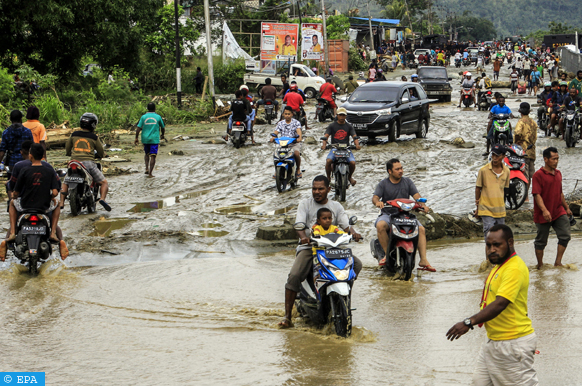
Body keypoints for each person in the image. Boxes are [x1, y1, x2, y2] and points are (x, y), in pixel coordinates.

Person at [446, 224, 538, 386]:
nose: (491, 250)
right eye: (488, 245)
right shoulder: (500, 266)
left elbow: (500, 303)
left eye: (497, 245)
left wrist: (469, 322)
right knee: (478, 382)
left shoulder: (514, 268)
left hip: (512, 344)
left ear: (510, 243)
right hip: (493, 341)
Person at [278, 175, 362, 328]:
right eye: (314, 189)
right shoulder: (305, 204)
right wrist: (303, 237)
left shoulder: (336, 206)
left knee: (356, 264)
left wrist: (354, 233)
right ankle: (287, 316)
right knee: (295, 275)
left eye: (320, 189)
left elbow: (346, 226)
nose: (316, 192)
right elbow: (300, 224)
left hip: (334, 249)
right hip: (311, 248)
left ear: (329, 189)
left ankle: (342, 297)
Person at [0, 141, 68, 260]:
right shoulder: (49, 169)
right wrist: (52, 197)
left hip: (25, 206)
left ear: (30, 155)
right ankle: (53, 233)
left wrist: (15, 196)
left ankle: (11, 234)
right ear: (42, 156)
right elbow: (56, 191)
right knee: (57, 205)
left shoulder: (24, 170)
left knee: (11, 203)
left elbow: (15, 191)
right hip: (44, 206)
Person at [372, 158, 436, 271]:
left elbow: (416, 196)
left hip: (405, 215)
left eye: (401, 168)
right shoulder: (383, 184)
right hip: (388, 214)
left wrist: (422, 205)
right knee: (380, 226)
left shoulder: (408, 182)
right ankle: (387, 255)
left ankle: (424, 260)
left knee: (421, 229)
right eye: (397, 169)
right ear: (390, 171)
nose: (401, 171)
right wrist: (378, 202)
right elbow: (375, 197)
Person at [60, 113, 111, 212]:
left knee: (66, 182)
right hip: (88, 164)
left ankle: (61, 202)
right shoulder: (94, 137)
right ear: (93, 125)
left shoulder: (74, 135)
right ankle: (102, 199)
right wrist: (102, 155)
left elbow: (67, 147)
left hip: (74, 162)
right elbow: (100, 151)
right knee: (104, 182)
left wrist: (68, 153)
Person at [532, 147, 572, 269]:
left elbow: (560, 193)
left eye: (557, 159)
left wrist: (566, 207)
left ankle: (558, 262)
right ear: (545, 159)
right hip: (543, 213)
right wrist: (544, 210)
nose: (556, 161)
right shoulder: (538, 175)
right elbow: (537, 194)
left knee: (565, 235)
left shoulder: (558, 173)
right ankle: (540, 265)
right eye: (553, 159)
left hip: (558, 210)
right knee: (541, 241)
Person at [475, 144, 510, 238]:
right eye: (493, 155)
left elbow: (505, 191)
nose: (494, 158)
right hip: (486, 209)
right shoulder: (483, 170)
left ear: (503, 156)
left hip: (500, 210)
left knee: (501, 237)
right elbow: (478, 188)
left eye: (497, 156)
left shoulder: (507, 171)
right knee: (489, 235)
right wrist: (477, 208)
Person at [321, 108, 361, 186]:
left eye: (343, 115)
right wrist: (324, 145)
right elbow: (326, 136)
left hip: (346, 149)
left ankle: (349, 177)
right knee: (328, 161)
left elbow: (355, 137)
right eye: (340, 115)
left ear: (346, 116)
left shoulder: (349, 126)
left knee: (352, 162)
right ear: (337, 115)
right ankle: (328, 177)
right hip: (335, 148)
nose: (342, 117)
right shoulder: (332, 125)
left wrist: (357, 145)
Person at [270, 106, 303, 179]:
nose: (287, 115)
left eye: (289, 114)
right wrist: (273, 137)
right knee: (276, 155)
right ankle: (276, 171)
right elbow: (276, 132)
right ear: (283, 114)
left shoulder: (296, 123)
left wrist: (299, 138)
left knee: (296, 153)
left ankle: (298, 169)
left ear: (292, 114)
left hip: (294, 143)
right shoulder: (280, 123)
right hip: (283, 144)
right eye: (286, 114)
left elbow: (299, 132)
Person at [513, 102, 538, 198]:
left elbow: (517, 133)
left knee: (524, 173)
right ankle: (527, 195)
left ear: (520, 112)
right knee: (531, 174)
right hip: (532, 151)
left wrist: (516, 143)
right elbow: (535, 137)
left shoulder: (521, 122)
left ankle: (525, 197)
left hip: (523, 151)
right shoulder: (533, 122)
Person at [135, 102, 165, 177]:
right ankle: (150, 173)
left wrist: (136, 138)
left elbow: (138, 128)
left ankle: (146, 168)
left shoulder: (143, 117)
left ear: (147, 108)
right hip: (154, 139)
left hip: (145, 138)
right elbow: (163, 127)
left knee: (146, 154)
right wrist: (162, 135)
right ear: (155, 108)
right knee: (153, 156)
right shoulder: (158, 117)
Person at [0, 110, 34, 175]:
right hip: (26, 161)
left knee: (12, 182)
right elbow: (32, 147)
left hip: (12, 163)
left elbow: (2, 151)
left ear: (10, 120)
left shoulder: (6, 133)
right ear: (21, 119)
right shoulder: (27, 131)